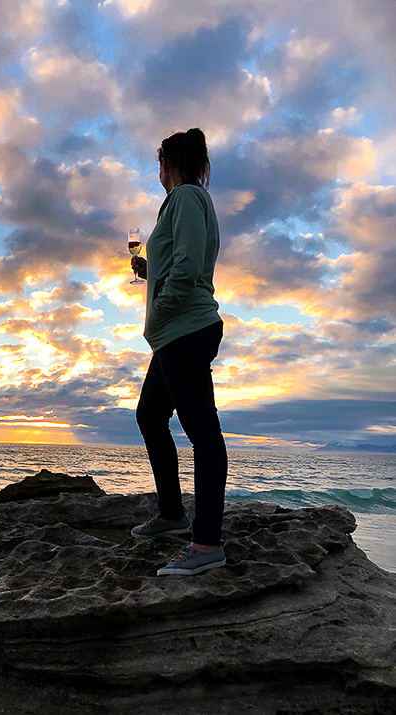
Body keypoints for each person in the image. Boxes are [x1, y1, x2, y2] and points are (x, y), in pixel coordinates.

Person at [130, 127, 228, 576]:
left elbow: (189, 265)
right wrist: (151, 271)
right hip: (175, 332)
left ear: (166, 163)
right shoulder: (189, 200)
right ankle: (172, 515)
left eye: (158, 163)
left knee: (203, 434)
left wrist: (164, 305)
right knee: (150, 416)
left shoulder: (186, 196)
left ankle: (206, 544)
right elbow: (180, 261)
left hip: (184, 328)